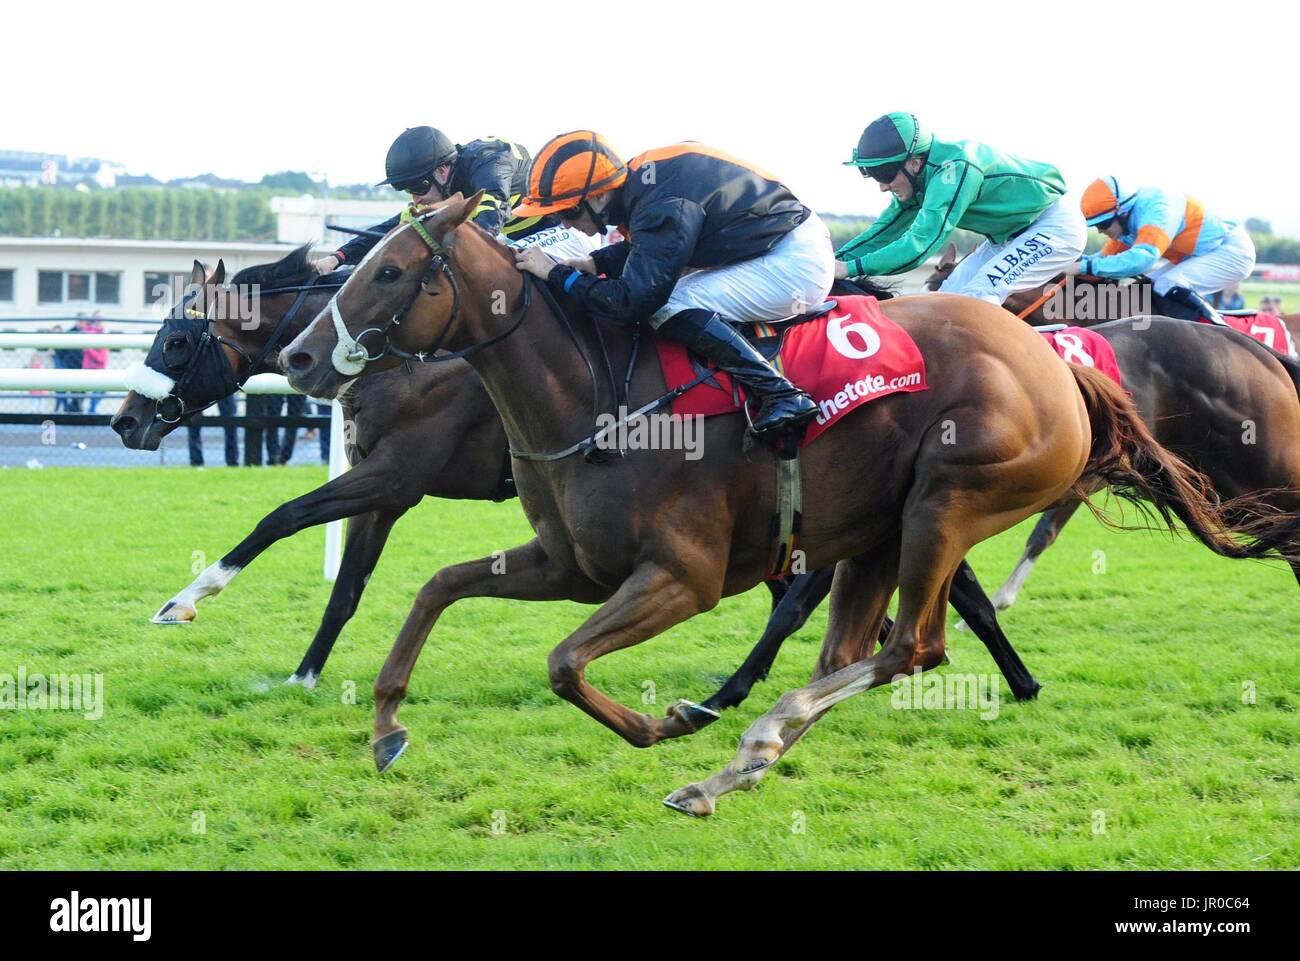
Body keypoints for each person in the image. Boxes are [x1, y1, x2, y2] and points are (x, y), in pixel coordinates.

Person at [512, 131, 833, 436]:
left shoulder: (660, 202)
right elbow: (657, 246)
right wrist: (595, 263)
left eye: (567, 211)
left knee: (668, 304)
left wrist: (558, 274)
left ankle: (782, 394)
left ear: (596, 196)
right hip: (773, 246)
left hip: (793, 263)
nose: (563, 223)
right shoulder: (644, 186)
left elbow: (632, 303)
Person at [836, 112, 1085, 304]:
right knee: (944, 301)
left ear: (914, 162)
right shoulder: (919, 179)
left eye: (884, 173)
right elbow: (881, 233)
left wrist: (849, 269)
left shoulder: (954, 170)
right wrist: (829, 264)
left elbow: (919, 245)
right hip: (1008, 238)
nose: (882, 186)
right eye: (872, 174)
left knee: (981, 294)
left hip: (1054, 227)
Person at [310, 126, 597, 274]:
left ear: (442, 170)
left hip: (566, 234)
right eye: (406, 189)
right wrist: (337, 259)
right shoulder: (440, 186)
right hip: (519, 240)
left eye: (417, 186)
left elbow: (491, 211)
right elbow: (391, 230)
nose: (415, 197)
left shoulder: (489, 160)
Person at [1074, 176, 1257, 323]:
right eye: (1095, 226)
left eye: (1104, 224)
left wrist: (1082, 267)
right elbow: (1102, 262)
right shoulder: (1127, 225)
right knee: (1145, 288)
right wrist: (1070, 266)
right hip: (1201, 254)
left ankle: (1220, 334)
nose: (1100, 231)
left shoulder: (1157, 209)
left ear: (1122, 212)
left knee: (1168, 284)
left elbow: (1142, 259)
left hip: (1231, 251)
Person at [187, 395, 239, 467]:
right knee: (194, 422)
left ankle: (233, 463)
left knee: (231, 421)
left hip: (222, 386)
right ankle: (196, 463)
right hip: (200, 385)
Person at [78, 311, 108, 413]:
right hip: (89, 366)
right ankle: (88, 409)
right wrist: (92, 351)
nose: (99, 320)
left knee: (101, 390)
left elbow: (101, 355)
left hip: (100, 366)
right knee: (86, 389)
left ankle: (92, 409)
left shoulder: (103, 332)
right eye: (97, 317)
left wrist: (90, 350)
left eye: (101, 317)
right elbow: (86, 348)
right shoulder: (88, 331)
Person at [51, 323, 83, 413]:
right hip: (60, 368)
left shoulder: (64, 344)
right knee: (60, 390)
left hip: (66, 367)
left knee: (63, 390)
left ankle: (62, 409)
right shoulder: (56, 348)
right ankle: (60, 409)